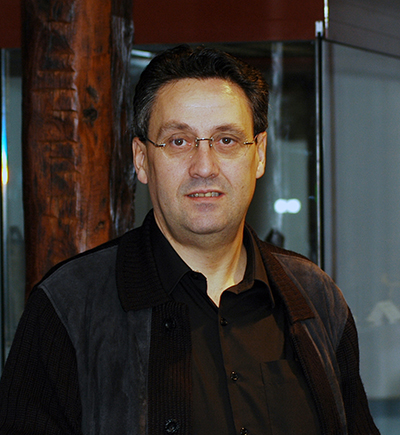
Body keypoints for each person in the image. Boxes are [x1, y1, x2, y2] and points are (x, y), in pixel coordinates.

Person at [0, 45, 379, 435]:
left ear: (260, 155)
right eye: (178, 141)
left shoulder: (315, 298)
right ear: (141, 159)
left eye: (226, 140)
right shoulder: (70, 305)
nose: (204, 167)